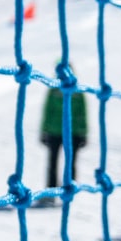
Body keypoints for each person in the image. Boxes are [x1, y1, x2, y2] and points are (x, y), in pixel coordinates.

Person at [40, 68, 88, 197]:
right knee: (53, 162)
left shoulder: (76, 90)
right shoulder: (55, 89)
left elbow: (82, 113)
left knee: (70, 163)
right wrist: (44, 130)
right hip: (56, 132)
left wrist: (84, 132)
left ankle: (68, 189)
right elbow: (48, 112)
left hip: (72, 133)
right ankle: (52, 191)